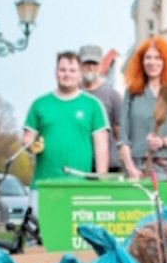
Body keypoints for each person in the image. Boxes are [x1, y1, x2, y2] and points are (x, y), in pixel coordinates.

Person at [22, 52, 110, 184]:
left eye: (72, 71)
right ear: (56, 72)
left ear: (79, 73)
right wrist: (30, 145)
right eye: (62, 70)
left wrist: (101, 181)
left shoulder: (93, 105)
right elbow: (27, 139)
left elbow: (101, 146)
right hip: (43, 184)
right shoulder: (39, 104)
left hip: (79, 185)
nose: (67, 74)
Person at [119, 36, 167, 181]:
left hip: (163, 168)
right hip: (134, 168)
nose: (152, 62)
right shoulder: (131, 92)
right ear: (141, 62)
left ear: (165, 61)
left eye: (158, 58)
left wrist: (163, 142)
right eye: (148, 58)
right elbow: (123, 138)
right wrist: (130, 168)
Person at [78, 44, 123, 172]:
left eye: (95, 63)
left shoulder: (113, 96)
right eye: (87, 63)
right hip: (79, 165)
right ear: (79, 65)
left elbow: (119, 133)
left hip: (109, 166)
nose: (91, 67)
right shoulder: (72, 94)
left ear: (101, 65)